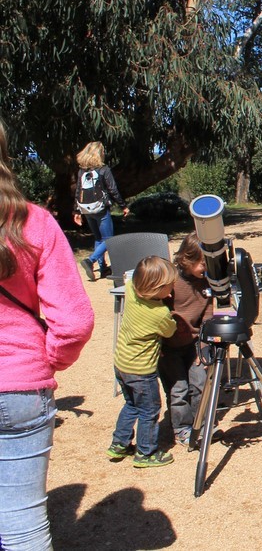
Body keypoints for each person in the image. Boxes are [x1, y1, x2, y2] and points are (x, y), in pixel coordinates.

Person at [0, 119, 94, 549]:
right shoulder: (32, 222)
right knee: (22, 524)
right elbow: (74, 322)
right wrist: (46, 359)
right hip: (20, 385)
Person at [109, 256, 177, 468]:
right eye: (169, 286)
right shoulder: (159, 313)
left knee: (131, 404)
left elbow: (130, 278)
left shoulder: (130, 289)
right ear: (156, 289)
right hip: (141, 371)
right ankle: (146, 452)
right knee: (150, 410)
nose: (173, 289)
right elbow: (170, 330)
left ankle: (119, 444)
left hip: (121, 363)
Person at [158, 233, 211, 448]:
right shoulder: (170, 283)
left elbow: (208, 313)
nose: (205, 268)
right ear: (187, 260)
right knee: (178, 389)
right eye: (202, 263)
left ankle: (203, 424)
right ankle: (182, 428)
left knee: (200, 383)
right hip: (169, 346)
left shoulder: (206, 281)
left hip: (194, 343)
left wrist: (204, 345)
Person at [72, 141, 129, 281]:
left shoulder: (82, 171)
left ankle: (103, 269)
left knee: (98, 239)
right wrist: (123, 206)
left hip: (86, 209)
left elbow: (78, 191)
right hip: (100, 209)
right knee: (109, 239)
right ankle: (90, 260)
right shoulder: (103, 169)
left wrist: (76, 211)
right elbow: (112, 190)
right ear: (100, 154)